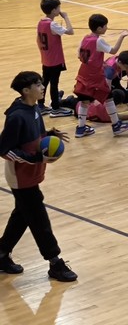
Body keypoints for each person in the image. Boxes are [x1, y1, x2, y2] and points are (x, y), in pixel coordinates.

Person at [0, 71, 78, 282]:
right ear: (26, 90)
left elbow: (36, 136)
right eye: (38, 84)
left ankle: (1, 253)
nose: (43, 87)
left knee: (23, 215)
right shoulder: (16, 116)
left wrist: (49, 136)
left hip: (33, 171)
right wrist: (35, 158)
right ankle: (55, 262)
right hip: (20, 176)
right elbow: (4, 149)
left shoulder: (33, 108)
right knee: (38, 218)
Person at [72, 14, 128, 138]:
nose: (107, 27)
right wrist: (122, 36)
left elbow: (79, 55)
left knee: (84, 101)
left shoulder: (85, 38)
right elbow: (113, 51)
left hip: (83, 73)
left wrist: (95, 62)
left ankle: (80, 128)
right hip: (95, 76)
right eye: (105, 25)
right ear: (100, 28)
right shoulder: (98, 40)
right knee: (109, 97)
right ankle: (116, 125)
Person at [36, 0, 74, 117]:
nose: (60, 10)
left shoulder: (41, 22)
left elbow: (37, 40)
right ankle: (56, 108)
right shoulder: (52, 24)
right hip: (55, 59)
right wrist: (66, 17)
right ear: (53, 10)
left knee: (44, 82)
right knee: (54, 83)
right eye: (58, 8)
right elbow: (70, 31)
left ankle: (41, 105)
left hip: (46, 58)